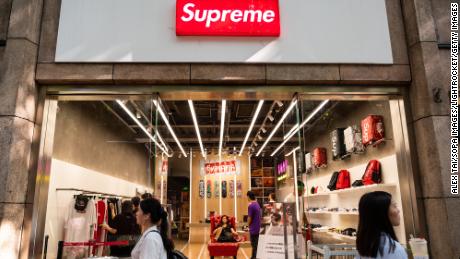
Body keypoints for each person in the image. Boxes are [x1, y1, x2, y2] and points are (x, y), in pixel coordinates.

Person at [356, 191, 408, 259]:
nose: (398, 210)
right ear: (381, 213)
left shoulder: (364, 246)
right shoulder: (395, 250)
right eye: (394, 206)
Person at [247, 191, 261, 259]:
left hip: (253, 228)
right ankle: (253, 256)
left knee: (254, 244)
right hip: (258, 227)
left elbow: (249, 218)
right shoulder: (257, 204)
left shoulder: (251, 205)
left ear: (248, 196)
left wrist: (247, 225)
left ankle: (254, 257)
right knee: (255, 244)